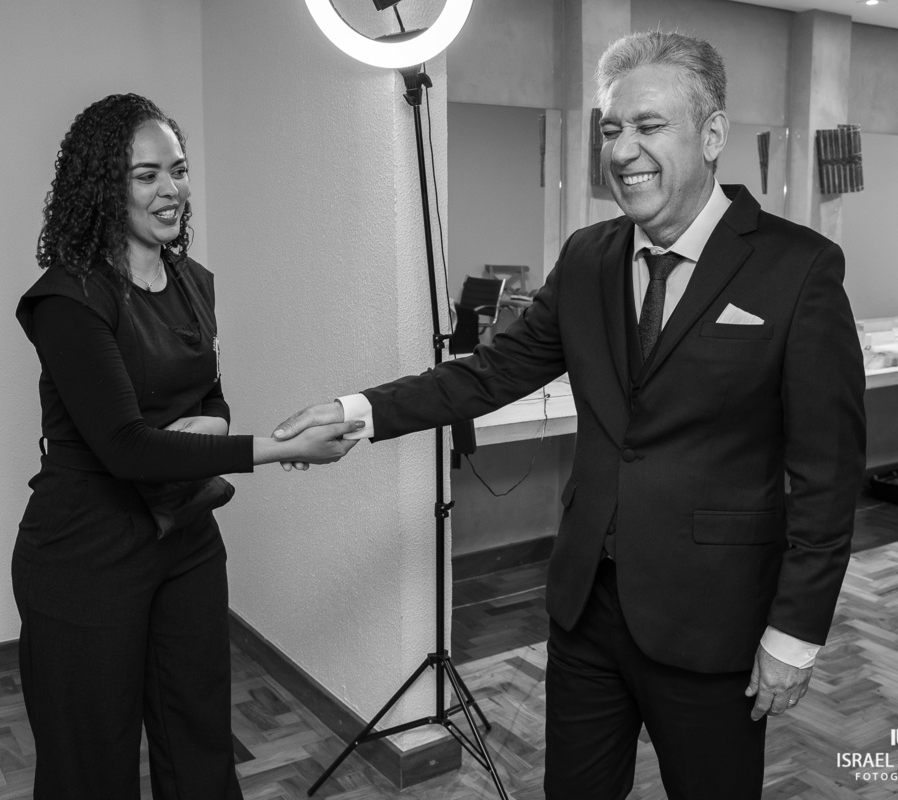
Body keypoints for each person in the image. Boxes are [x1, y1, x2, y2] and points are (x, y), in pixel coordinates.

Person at [273, 32, 866, 800]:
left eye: (649, 126)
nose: (624, 151)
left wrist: (795, 634)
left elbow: (828, 473)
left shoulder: (800, 267)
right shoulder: (588, 257)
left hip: (713, 618)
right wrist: (356, 411)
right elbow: (490, 374)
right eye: (611, 129)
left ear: (712, 134)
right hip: (588, 608)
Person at [13, 93, 361, 800]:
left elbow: (208, 396)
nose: (171, 190)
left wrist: (209, 426)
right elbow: (126, 449)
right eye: (147, 175)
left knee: (199, 740)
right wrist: (267, 446)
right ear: (104, 187)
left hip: (185, 539)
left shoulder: (193, 282)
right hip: (86, 551)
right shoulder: (69, 299)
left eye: (178, 169)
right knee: (91, 765)